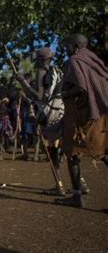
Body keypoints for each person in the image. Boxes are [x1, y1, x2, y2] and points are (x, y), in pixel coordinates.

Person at [55, 33, 108, 208]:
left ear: (75, 45)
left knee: (72, 153)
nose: (65, 49)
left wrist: (64, 94)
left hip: (82, 117)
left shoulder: (75, 61)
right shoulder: (94, 60)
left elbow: (80, 87)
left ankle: (77, 197)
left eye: (67, 46)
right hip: (99, 115)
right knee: (104, 153)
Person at [16, 47, 69, 196]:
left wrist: (23, 83)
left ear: (39, 59)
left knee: (52, 151)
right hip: (62, 111)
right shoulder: (58, 71)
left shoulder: (41, 72)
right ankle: (80, 183)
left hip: (49, 114)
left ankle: (59, 186)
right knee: (69, 150)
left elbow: (38, 97)